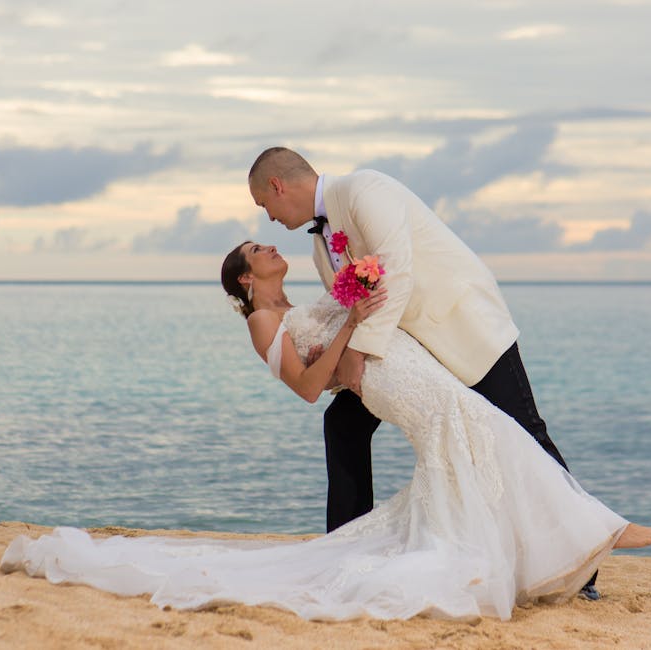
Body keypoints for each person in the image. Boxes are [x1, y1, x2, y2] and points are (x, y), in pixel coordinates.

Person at [0, 242, 651, 622]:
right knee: (479, 428)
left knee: (478, 439)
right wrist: (350, 321)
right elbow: (306, 385)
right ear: (245, 277)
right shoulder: (263, 322)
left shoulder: (293, 303)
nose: (271, 246)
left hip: (398, 366)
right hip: (385, 380)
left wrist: (356, 290)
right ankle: (599, 528)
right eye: (259, 250)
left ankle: (573, 537)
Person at [247, 146, 603, 597]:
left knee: (526, 431)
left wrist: (358, 352)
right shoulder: (322, 246)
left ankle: (585, 567)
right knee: (343, 425)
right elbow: (349, 306)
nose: (270, 218)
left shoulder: (363, 189)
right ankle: (343, 552)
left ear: (278, 186)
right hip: (407, 352)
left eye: (265, 205)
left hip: (462, 326)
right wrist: (337, 358)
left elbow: (397, 270)